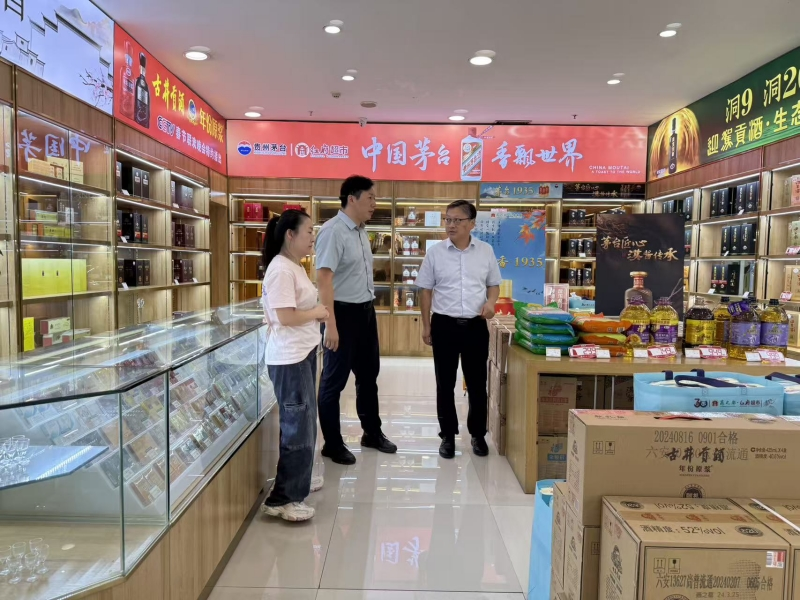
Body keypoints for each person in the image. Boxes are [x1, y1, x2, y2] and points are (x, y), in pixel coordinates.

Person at [316, 175, 397, 465]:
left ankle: (371, 433)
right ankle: (332, 444)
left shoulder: (361, 231)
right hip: (341, 314)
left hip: (365, 312)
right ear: (352, 198)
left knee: (368, 376)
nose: (375, 204)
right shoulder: (333, 231)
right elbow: (324, 279)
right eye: (370, 198)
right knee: (333, 382)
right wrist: (331, 324)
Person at [415, 200, 501, 459]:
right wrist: (426, 325)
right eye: (448, 219)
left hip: (475, 326)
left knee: (477, 383)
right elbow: (425, 290)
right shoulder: (435, 253)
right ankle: (447, 436)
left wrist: (491, 303)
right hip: (444, 325)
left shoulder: (485, 251)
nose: (451, 225)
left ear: (471, 223)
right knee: (445, 383)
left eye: (457, 220)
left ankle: (478, 435)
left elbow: (493, 284)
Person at [260, 209, 329, 522]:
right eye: (309, 231)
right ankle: (283, 499)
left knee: (303, 424)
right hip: (290, 358)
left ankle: (296, 484)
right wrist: (317, 313)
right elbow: (286, 316)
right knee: (297, 428)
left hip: (301, 353)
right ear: (290, 235)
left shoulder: (294, 266)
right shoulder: (281, 270)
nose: (313, 237)